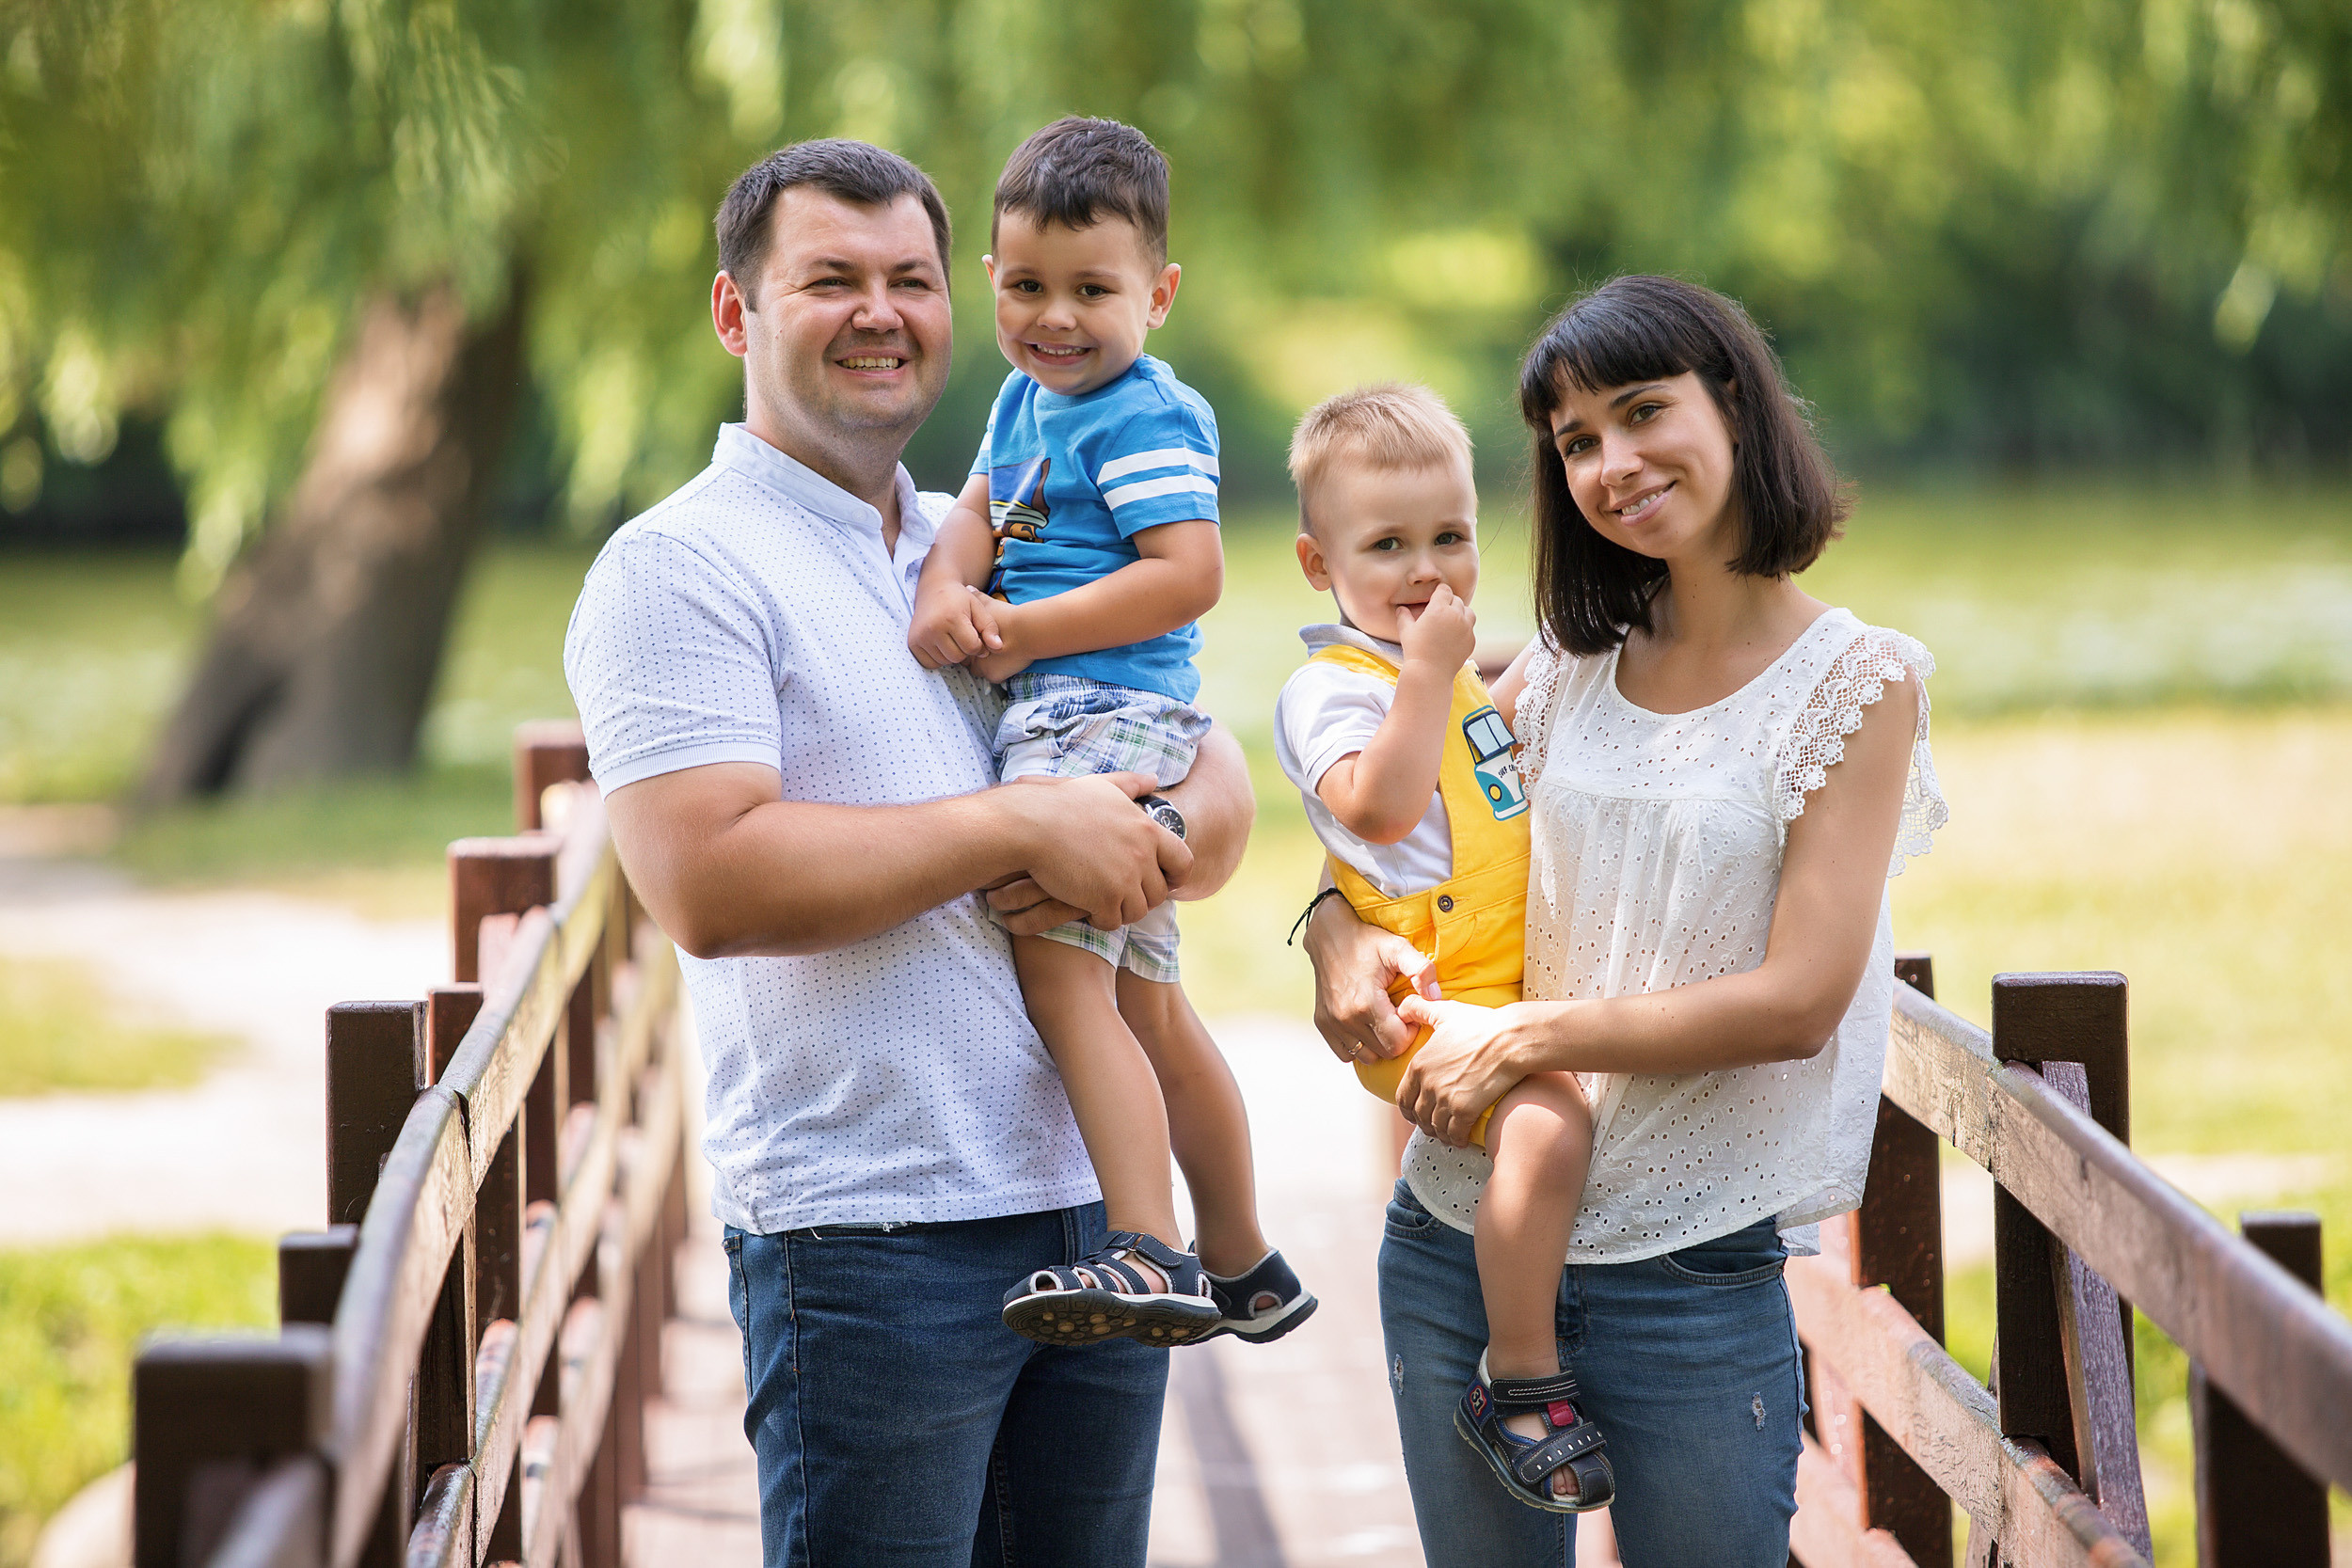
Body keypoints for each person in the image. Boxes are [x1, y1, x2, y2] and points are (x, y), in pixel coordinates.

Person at [563, 138, 1254, 1568]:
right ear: (736, 311)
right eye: (832, 279)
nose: (880, 312)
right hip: (872, 1235)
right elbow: (708, 883)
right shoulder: (678, 566)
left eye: (912, 280)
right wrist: (1023, 824)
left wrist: (1173, 829)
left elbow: (1203, 762)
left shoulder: (989, 539)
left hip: (1096, 1219)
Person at [1302, 276, 1948, 1566]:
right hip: (1458, 1245)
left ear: (1734, 402)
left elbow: (1800, 1000)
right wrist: (1329, 927)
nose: (1612, 463)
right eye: (1576, 440)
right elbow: (1400, 829)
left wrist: (1522, 1036)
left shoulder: (1856, 682)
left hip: (1688, 1276)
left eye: (1643, 411)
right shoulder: (1562, 659)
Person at [908, 117, 1312, 1351]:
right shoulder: (1024, 403)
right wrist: (944, 587)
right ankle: (1244, 1259)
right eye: (1027, 286)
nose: (1056, 317)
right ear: (991, 279)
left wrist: (1022, 632)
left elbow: (1188, 575)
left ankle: (1146, 1244)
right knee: (1150, 1009)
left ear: (1158, 294)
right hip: (1089, 714)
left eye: (1093, 290)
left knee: (1062, 979)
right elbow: (978, 515)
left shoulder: (1143, 414)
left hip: (1097, 710)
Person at [1272, 384, 1609, 1512]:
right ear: (1318, 563)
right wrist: (1427, 672)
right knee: (1549, 1123)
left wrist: (1503, 672)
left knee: (1548, 1122)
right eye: (1387, 546)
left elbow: (1480, 753)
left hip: (1493, 975)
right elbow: (1376, 807)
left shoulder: (1447, 677)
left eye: (1450, 537)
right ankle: (1518, 1376)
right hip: (1428, 987)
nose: (1425, 570)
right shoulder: (1329, 688)